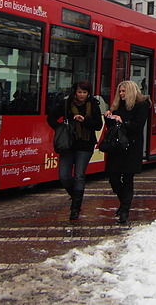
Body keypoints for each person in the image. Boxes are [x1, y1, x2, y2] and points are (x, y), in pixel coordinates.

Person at [46, 80, 104, 220]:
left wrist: (84, 120)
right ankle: (75, 196)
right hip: (68, 144)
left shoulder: (93, 105)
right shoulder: (66, 104)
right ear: (75, 92)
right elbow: (51, 118)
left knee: (79, 175)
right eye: (79, 92)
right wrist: (62, 127)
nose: (82, 95)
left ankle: (75, 208)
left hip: (85, 145)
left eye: (84, 92)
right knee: (64, 175)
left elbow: (98, 125)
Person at [104, 80, 150, 224]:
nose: (121, 94)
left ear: (131, 91)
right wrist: (109, 117)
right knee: (113, 178)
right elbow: (112, 127)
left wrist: (122, 121)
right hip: (117, 147)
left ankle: (125, 210)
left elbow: (137, 126)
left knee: (128, 179)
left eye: (124, 91)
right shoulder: (118, 105)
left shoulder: (141, 105)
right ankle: (123, 203)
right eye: (120, 91)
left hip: (132, 147)